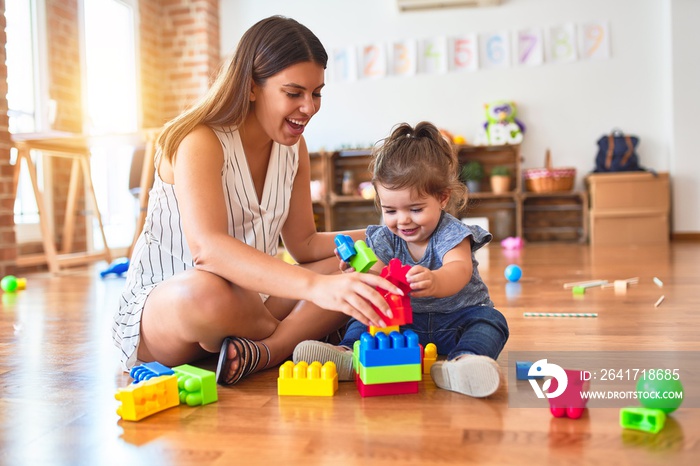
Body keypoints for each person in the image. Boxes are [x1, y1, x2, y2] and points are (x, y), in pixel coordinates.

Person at [112, 16, 404, 386]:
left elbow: (305, 245)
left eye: (316, 93)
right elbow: (209, 250)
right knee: (208, 291)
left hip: (253, 301)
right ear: (252, 87)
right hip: (172, 310)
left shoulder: (294, 149)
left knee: (371, 265)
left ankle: (265, 350)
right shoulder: (199, 140)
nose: (309, 108)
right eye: (294, 93)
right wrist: (318, 290)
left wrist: (385, 234)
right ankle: (289, 339)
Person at [293, 121, 510, 398]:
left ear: (442, 198)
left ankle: (463, 363)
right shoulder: (384, 237)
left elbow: (460, 269)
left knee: (491, 321)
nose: (403, 220)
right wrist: (359, 265)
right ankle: (349, 355)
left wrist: (435, 280)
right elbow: (380, 273)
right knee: (364, 314)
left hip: (456, 319)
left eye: (416, 209)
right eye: (390, 210)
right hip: (402, 326)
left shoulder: (452, 232)